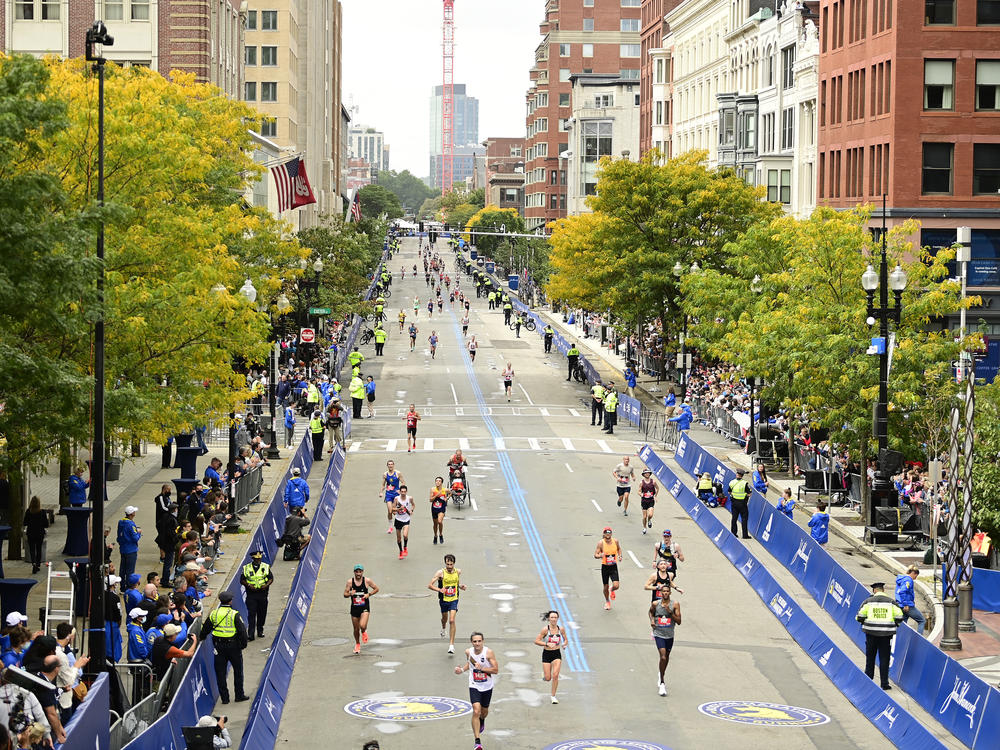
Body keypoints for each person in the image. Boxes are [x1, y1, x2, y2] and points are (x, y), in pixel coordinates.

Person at [454, 632, 498, 750]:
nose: (477, 643)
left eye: (479, 641)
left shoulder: (488, 652)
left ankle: (482, 720)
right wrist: (462, 670)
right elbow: (470, 663)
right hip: (474, 685)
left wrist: (482, 668)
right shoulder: (468, 652)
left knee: (484, 712)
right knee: (476, 710)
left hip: (487, 686)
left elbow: (496, 670)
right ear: (471, 642)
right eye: (475, 641)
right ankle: (477, 742)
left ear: (483, 641)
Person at [855, 582, 903, 690]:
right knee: (884, 658)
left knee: (870, 657)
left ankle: (868, 680)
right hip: (886, 635)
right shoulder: (891, 602)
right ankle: (884, 683)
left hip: (871, 634)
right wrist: (894, 624)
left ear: (874, 591)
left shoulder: (868, 602)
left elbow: (860, 616)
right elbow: (900, 616)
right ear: (883, 590)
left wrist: (864, 623)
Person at [205, 591, 249, 704]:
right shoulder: (234, 614)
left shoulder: (214, 614)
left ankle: (225, 698)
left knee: (220, 673)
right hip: (234, 646)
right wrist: (243, 645)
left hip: (219, 647)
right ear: (230, 601)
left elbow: (206, 628)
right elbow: (243, 631)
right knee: (238, 671)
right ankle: (239, 695)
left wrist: (201, 637)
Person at [429, 554, 467, 654]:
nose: (449, 566)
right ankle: (443, 628)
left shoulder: (458, 571)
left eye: (451, 564)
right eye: (447, 564)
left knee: (452, 620)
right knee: (444, 619)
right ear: (445, 563)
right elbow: (430, 585)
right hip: (444, 600)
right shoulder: (440, 573)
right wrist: (439, 589)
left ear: (454, 563)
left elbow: (455, 583)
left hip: (454, 599)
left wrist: (460, 587)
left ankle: (451, 645)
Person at [649, 583, 681, 696]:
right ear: (661, 593)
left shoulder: (675, 604)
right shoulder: (655, 603)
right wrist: (652, 621)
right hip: (658, 633)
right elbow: (650, 613)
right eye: (664, 591)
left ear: (670, 593)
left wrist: (670, 612)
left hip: (670, 634)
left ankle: (661, 673)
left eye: (667, 591)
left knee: (666, 657)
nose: (665, 593)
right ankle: (662, 682)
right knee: (662, 656)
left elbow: (679, 621)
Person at [53, 623, 88, 726]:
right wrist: (77, 666)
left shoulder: (59, 651)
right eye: (72, 635)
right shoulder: (62, 655)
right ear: (69, 636)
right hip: (63, 701)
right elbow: (69, 680)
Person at [533, 610, 567, 704]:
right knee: (548, 678)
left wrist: (564, 644)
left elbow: (566, 639)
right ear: (549, 618)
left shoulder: (561, 629)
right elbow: (536, 641)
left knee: (555, 675)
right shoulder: (545, 630)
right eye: (552, 617)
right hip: (547, 654)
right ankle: (545, 675)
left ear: (558, 618)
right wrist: (547, 643)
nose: (553, 619)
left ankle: (553, 696)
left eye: (555, 617)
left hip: (556, 654)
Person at [345, 565, 379, 654]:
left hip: (364, 607)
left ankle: (364, 631)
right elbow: (345, 594)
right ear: (354, 572)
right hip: (354, 608)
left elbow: (376, 588)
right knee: (356, 629)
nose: (358, 573)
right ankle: (357, 644)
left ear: (362, 572)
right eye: (357, 572)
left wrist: (369, 594)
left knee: (362, 625)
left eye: (360, 571)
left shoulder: (367, 581)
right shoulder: (350, 582)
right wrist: (350, 593)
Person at [240, 550, 273, 641]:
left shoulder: (265, 567)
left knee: (262, 614)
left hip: (263, 594)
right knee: (251, 614)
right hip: (251, 595)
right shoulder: (246, 568)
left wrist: (266, 585)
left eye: (259, 559)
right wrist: (249, 585)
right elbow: (242, 580)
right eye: (256, 559)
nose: (258, 560)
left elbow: (271, 578)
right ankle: (251, 634)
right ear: (253, 559)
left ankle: (260, 630)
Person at [594, 527, 621, 610]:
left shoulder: (615, 541)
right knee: (605, 586)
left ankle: (612, 589)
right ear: (604, 534)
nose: (608, 534)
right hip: (605, 567)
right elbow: (595, 554)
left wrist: (620, 556)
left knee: (616, 586)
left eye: (609, 533)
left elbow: (619, 549)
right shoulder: (601, 543)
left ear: (611, 534)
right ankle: (607, 601)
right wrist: (600, 555)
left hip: (613, 566)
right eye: (606, 533)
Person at [895, 565, 926, 635]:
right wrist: (906, 604)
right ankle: (919, 639)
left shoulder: (901, 579)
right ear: (913, 573)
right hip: (907, 605)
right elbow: (902, 591)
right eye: (916, 576)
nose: (915, 578)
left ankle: (900, 639)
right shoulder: (908, 580)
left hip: (899, 604)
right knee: (922, 621)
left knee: (903, 624)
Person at [23, 496, 48, 574]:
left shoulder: (28, 512)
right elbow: (46, 524)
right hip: (40, 533)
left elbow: (25, 523)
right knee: (39, 548)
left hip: (31, 533)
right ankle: (38, 564)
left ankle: (33, 563)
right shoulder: (42, 512)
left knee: (32, 549)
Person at [117, 507, 142, 580]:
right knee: (130, 571)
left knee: (122, 569)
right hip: (131, 550)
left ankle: (122, 586)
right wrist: (139, 533)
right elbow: (135, 538)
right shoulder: (131, 524)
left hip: (123, 548)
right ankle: (129, 585)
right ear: (132, 514)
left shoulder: (121, 522)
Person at [380, 460, 404, 533]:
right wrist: (381, 492)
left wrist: (400, 490)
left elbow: (403, 482)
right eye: (389, 464)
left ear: (394, 465)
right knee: (390, 511)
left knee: (395, 511)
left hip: (396, 495)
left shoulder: (398, 473)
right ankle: (390, 527)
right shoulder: (385, 474)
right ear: (387, 466)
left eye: (391, 464)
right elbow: (383, 485)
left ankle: (402, 522)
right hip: (389, 495)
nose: (390, 465)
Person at [391, 486, 414, 559]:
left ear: (406, 492)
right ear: (400, 492)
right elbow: (392, 509)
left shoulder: (409, 498)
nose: (403, 493)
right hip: (398, 520)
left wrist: (411, 510)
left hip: (406, 519)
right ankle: (400, 551)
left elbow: (413, 505)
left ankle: (405, 547)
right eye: (402, 492)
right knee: (398, 538)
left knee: (405, 535)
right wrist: (399, 509)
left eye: (404, 491)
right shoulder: (396, 499)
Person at [728, 469, 751, 539]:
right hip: (742, 504)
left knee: (734, 518)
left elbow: (729, 492)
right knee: (744, 519)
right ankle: (745, 535)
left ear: (737, 475)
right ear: (742, 476)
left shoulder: (732, 482)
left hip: (734, 503)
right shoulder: (745, 483)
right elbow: (749, 494)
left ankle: (733, 533)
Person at [430, 477, 448, 545]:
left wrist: (447, 498)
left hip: (442, 508)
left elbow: (450, 493)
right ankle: (435, 535)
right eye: (436, 481)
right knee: (435, 524)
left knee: (439, 521)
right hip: (434, 508)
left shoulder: (445, 489)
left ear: (441, 483)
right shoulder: (433, 489)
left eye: (439, 481)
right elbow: (430, 500)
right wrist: (436, 495)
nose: (437, 482)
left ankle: (440, 534)